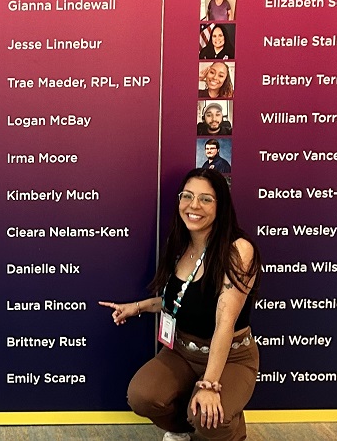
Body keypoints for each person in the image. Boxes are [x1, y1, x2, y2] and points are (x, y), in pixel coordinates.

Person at [100, 168, 260, 441]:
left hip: (230, 357)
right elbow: (181, 300)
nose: (193, 205)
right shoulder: (180, 244)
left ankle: (228, 431)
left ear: (221, 205)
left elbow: (224, 322)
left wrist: (210, 386)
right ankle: (185, 430)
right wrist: (136, 308)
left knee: (208, 417)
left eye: (206, 199)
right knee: (142, 396)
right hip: (182, 352)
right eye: (187, 196)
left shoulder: (238, 250)